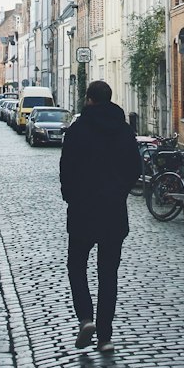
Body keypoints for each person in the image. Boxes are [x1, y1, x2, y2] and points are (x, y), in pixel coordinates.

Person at [59, 79, 140, 352]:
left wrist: (71, 196)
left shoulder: (78, 130)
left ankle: (85, 318)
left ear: (89, 99)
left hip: (83, 210)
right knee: (108, 275)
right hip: (113, 212)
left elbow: (66, 169)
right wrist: (120, 193)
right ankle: (105, 337)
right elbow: (135, 169)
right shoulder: (124, 131)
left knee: (76, 267)